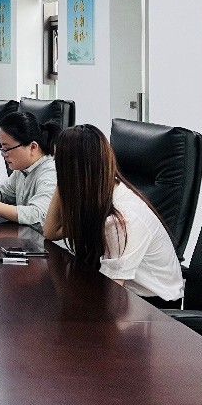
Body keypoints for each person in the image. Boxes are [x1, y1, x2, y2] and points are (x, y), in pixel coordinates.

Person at [43, 124, 184, 306]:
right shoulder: (103, 192)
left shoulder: (119, 219)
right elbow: (51, 232)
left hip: (152, 307)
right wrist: (64, 180)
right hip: (123, 292)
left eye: (58, 163)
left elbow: (110, 297)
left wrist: (67, 175)